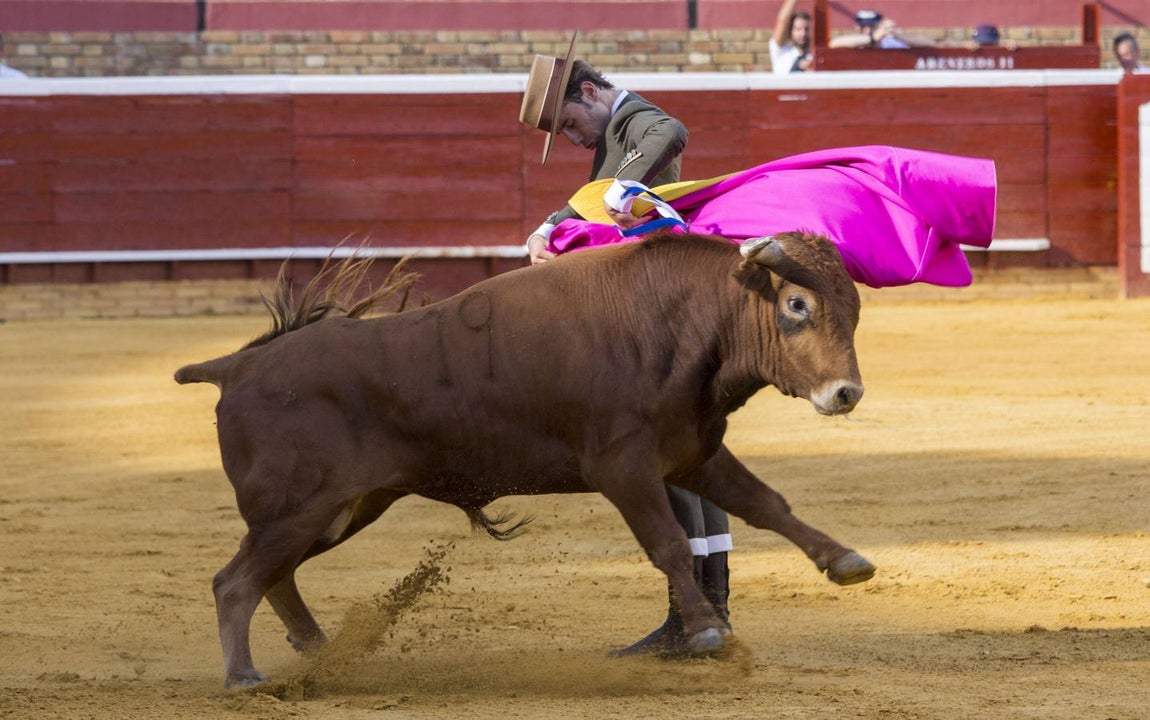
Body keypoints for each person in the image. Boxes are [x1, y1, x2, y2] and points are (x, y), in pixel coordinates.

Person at [519, 34, 735, 659]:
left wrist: (625, 185)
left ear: (589, 91)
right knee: (692, 457)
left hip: (657, 312)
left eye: (569, 124)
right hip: (665, 304)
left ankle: (692, 618)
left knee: (658, 455)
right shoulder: (616, 135)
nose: (573, 139)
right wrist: (551, 223)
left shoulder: (639, 118)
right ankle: (709, 615)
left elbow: (669, 131)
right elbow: (598, 190)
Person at [829, 9, 936, 49]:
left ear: (879, 26)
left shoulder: (889, 43)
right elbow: (834, 44)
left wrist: (896, 35)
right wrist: (872, 38)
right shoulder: (852, 42)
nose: (867, 30)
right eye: (863, 27)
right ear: (857, 27)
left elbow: (931, 44)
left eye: (872, 26)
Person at [770, 0, 813, 74]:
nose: (803, 34)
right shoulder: (782, 51)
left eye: (807, 29)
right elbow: (783, 20)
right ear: (791, 31)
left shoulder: (816, 57)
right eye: (798, 29)